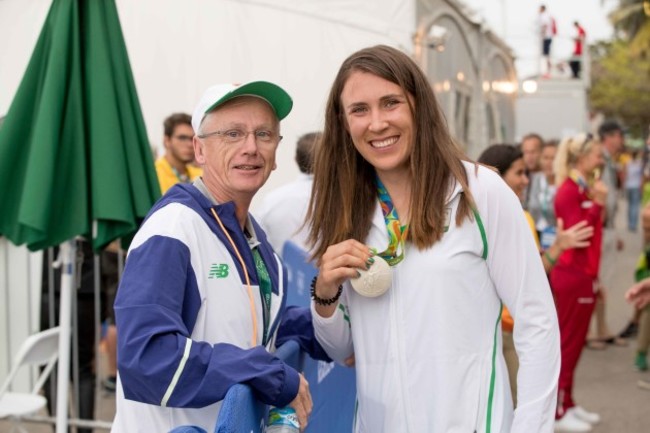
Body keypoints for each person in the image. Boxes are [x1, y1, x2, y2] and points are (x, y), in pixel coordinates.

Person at [306, 45, 560, 432]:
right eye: (359, 110)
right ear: (343, 123)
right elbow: (343, 350)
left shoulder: (479, 192)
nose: (376, 123)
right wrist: (325, 292)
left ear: (418, 106)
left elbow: (537, 322)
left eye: (390, 103)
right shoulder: (346, 208)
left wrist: (529, 427)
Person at [112, 81, 329, 432]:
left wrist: (336, 323)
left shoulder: (255, 241)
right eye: (232, 134)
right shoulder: (174, 228)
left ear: (277, 154)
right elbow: (145, 357)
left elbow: (253, 324)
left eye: (264, 134)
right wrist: (266, 372)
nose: (251, 148)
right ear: (199, 149)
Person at [477, 144, 593, 407]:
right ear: (496, 176)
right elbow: (526, 277)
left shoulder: (507, 215)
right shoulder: (511, 216)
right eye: (519, 173)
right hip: (503, 331)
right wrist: (559, 247)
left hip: (503, 328)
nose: (526, 180)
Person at [551, 132, 607, 431]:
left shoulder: (582, 189)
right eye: (597, 155)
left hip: (584, 275)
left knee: (574, 344)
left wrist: (596, 202)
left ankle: (568, 402)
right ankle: (558, 412)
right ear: (583, 158)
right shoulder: (570, 191)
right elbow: (578, 235)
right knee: (568, 345)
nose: (601, 160)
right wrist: (598, 205)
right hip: (573, 276)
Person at [257, 132, 322, 255]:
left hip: (280, 272)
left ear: (296, 159)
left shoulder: (271, 201)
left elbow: (257, 243)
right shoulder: (346, 202)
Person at [155, 112, 202, 194]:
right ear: (167, 141)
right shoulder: (154, 176)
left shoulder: (201, 175)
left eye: (193, 139)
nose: (190, 144)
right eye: (182, 138)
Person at [527, 140, 559, 247]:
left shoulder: (564, 184)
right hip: (535, 235)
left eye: (553, 158)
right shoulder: (535, 179)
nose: (549, 162)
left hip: (556, 238)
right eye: (546, 158)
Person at [538, 4, 555, 78]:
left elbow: (545, 25)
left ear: (542, 9)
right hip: (548, 37)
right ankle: (547, 71)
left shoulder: (544, 15)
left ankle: (547, 72)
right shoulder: (547, 16)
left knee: (546, 55)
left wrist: (542, 34)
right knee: (546, 55)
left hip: (546, 37)